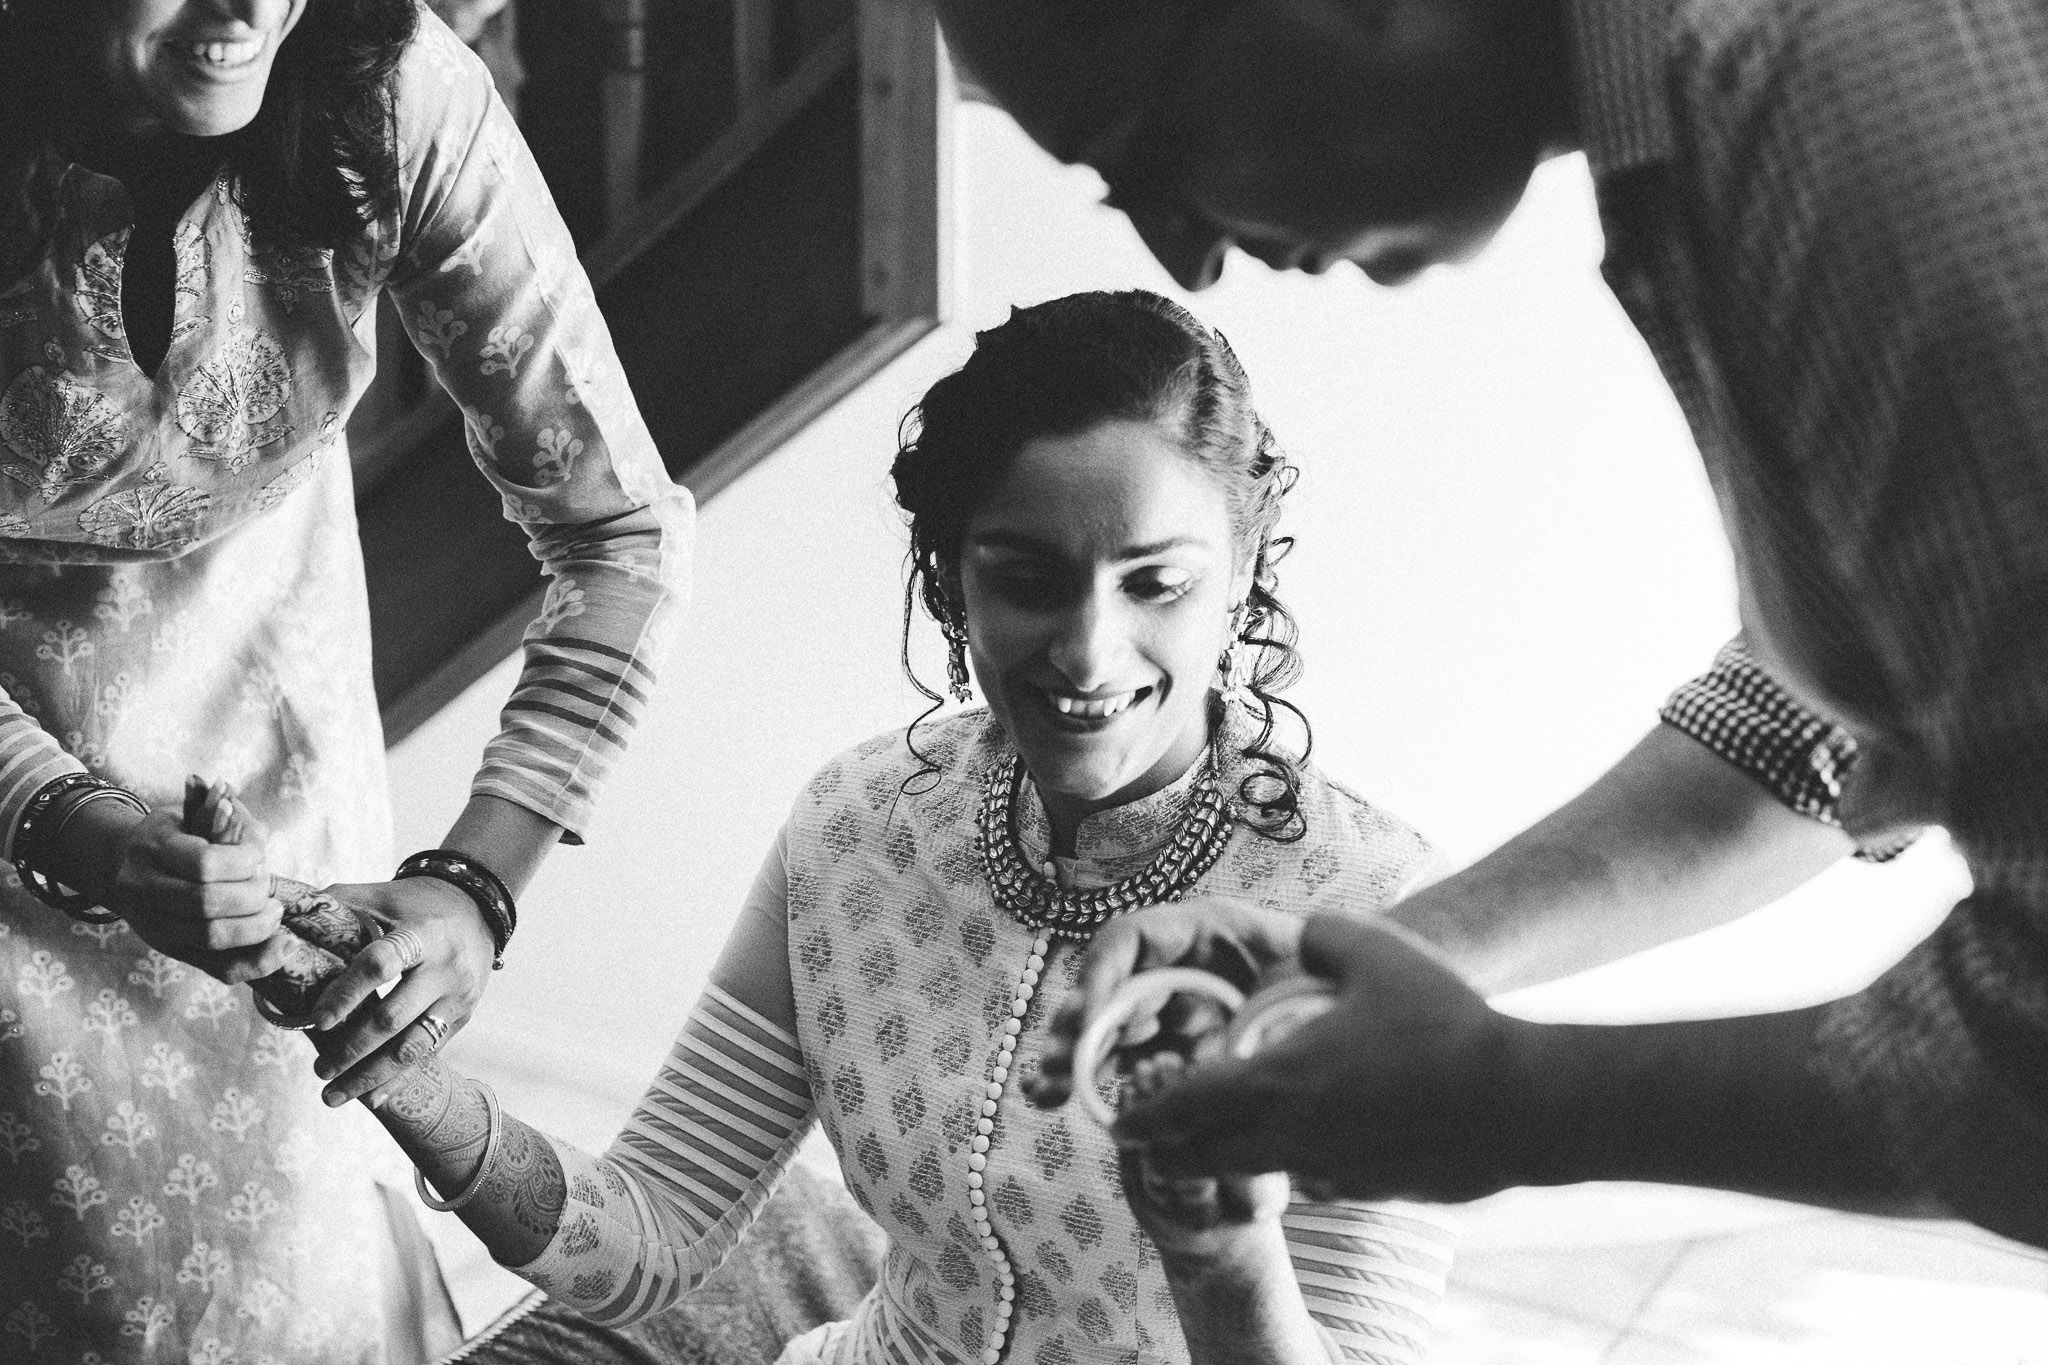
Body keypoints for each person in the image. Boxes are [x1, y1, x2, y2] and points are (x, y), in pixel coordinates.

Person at [933, 0, 2048, 1248]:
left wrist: (1517, 1103)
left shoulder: (1827, 88)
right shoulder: (1733, 117)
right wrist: (1359, 962)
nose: (1179, 254)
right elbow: (1837, 719)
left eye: (1140, 150)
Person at [344, 290, 1459, 1365]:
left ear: (1242, 578)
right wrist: (396, 1069)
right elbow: (644, 1242)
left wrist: (1218, 1251)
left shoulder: (1368, 908)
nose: (1087, 649)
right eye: (1026, 578)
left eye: (1156, 584)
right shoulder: (857, 829)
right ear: (949, 578)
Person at [0, 0, 707, 1357]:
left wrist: (472, 889)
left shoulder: (381, 95)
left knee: (296, 1268)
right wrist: (77, 828)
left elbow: (622, 533)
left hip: (288, 812)